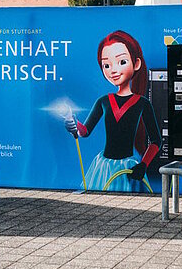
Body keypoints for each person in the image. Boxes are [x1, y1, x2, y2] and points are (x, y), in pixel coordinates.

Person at [65, 30, 162, 192]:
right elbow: (85, 131)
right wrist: (74, 124)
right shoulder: (103, 101)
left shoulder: (142, 103)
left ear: (136, 64)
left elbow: (156, 141)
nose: (113, 70)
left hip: (128, 167)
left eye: (122, 62)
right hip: (103, 167)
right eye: (107, 65)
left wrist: (143, 165)